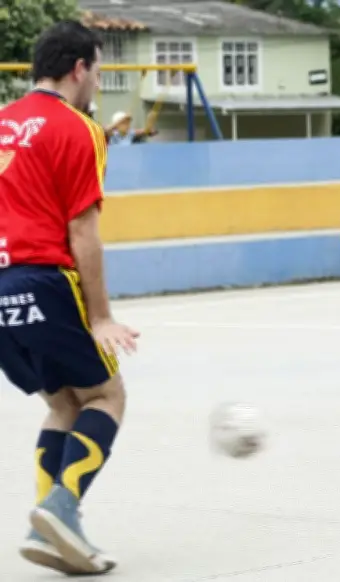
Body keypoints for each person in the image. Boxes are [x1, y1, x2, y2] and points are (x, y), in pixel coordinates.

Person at [0, 20, 139, 575]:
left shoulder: (2, 123)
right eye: (98, 72)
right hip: (46, 280)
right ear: (79, 69)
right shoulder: (79, 129)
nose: (98, 84)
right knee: (108, 396)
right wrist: (101, 316)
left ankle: (50, 521)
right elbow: (84, 232)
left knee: (63, 403)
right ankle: (62, 507)